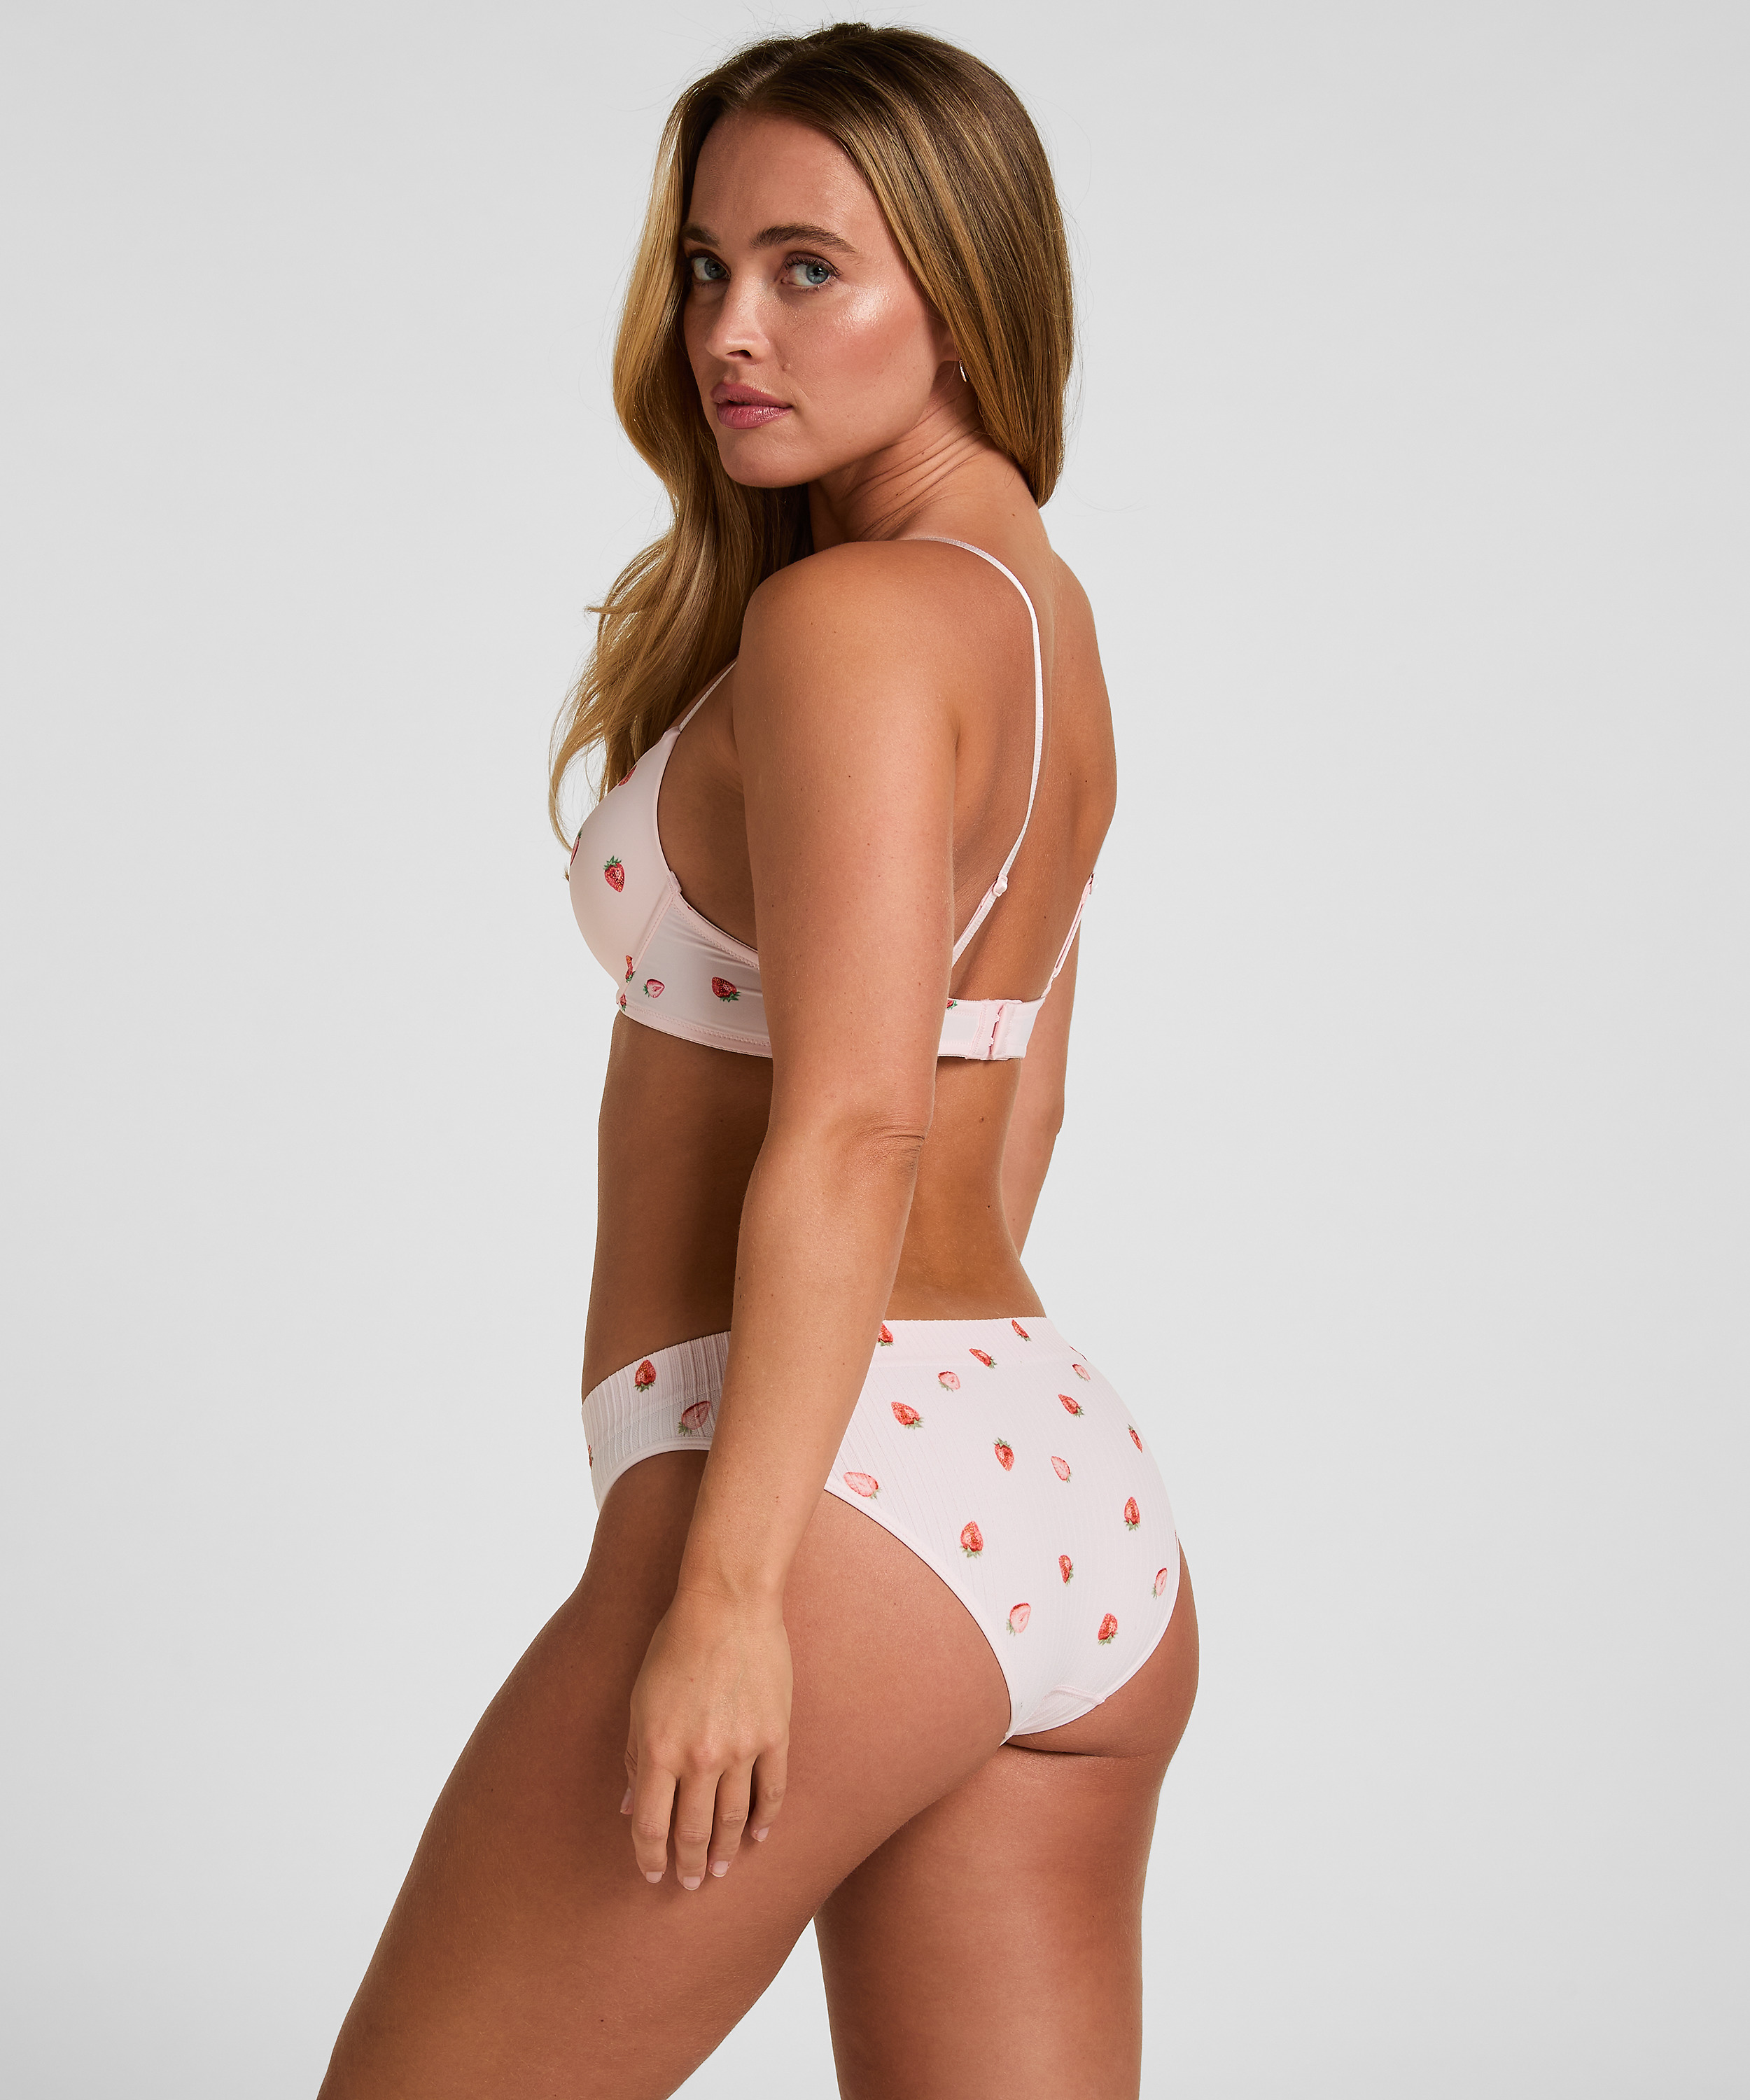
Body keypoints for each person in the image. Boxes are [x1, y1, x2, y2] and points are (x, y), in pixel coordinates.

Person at [320, 23, 1198, 2098]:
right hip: (1048, 1475)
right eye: (709, 266)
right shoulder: (1041, 618)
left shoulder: (856, 624)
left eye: (811, 270)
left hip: (823, 1500)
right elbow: (1014, 1088)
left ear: (963, 294)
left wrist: (733, 1595)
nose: (730, 328)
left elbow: (860, 1127)